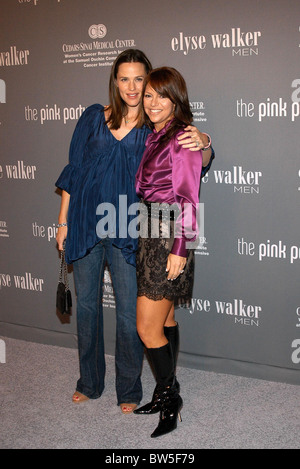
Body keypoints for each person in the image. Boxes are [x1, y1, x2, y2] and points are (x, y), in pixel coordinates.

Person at [55, 49, 213, 414]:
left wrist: (204, 141)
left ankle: (129, 388)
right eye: (124, 79)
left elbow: (193, 163)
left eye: (139, 79)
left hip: (131, 230)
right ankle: (89, 382)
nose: (132, 87)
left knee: (131, 314)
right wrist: (63, 221)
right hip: (86, 224)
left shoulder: (155, 124)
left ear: (149, 82)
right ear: (114, 81)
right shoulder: (94, 118)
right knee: (88, 309)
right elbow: (73, 172)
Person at [134, 67, 212, 437]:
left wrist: (180, 247)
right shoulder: (157, 134)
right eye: (147, 95)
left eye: (160, 96)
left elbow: (188, 198)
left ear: (176, 99)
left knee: (146, 328)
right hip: (153, 231)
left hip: (169, 236)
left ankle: (171, 397)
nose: (152, 103)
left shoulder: (182, 137)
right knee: (165, 321)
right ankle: (164, 390)